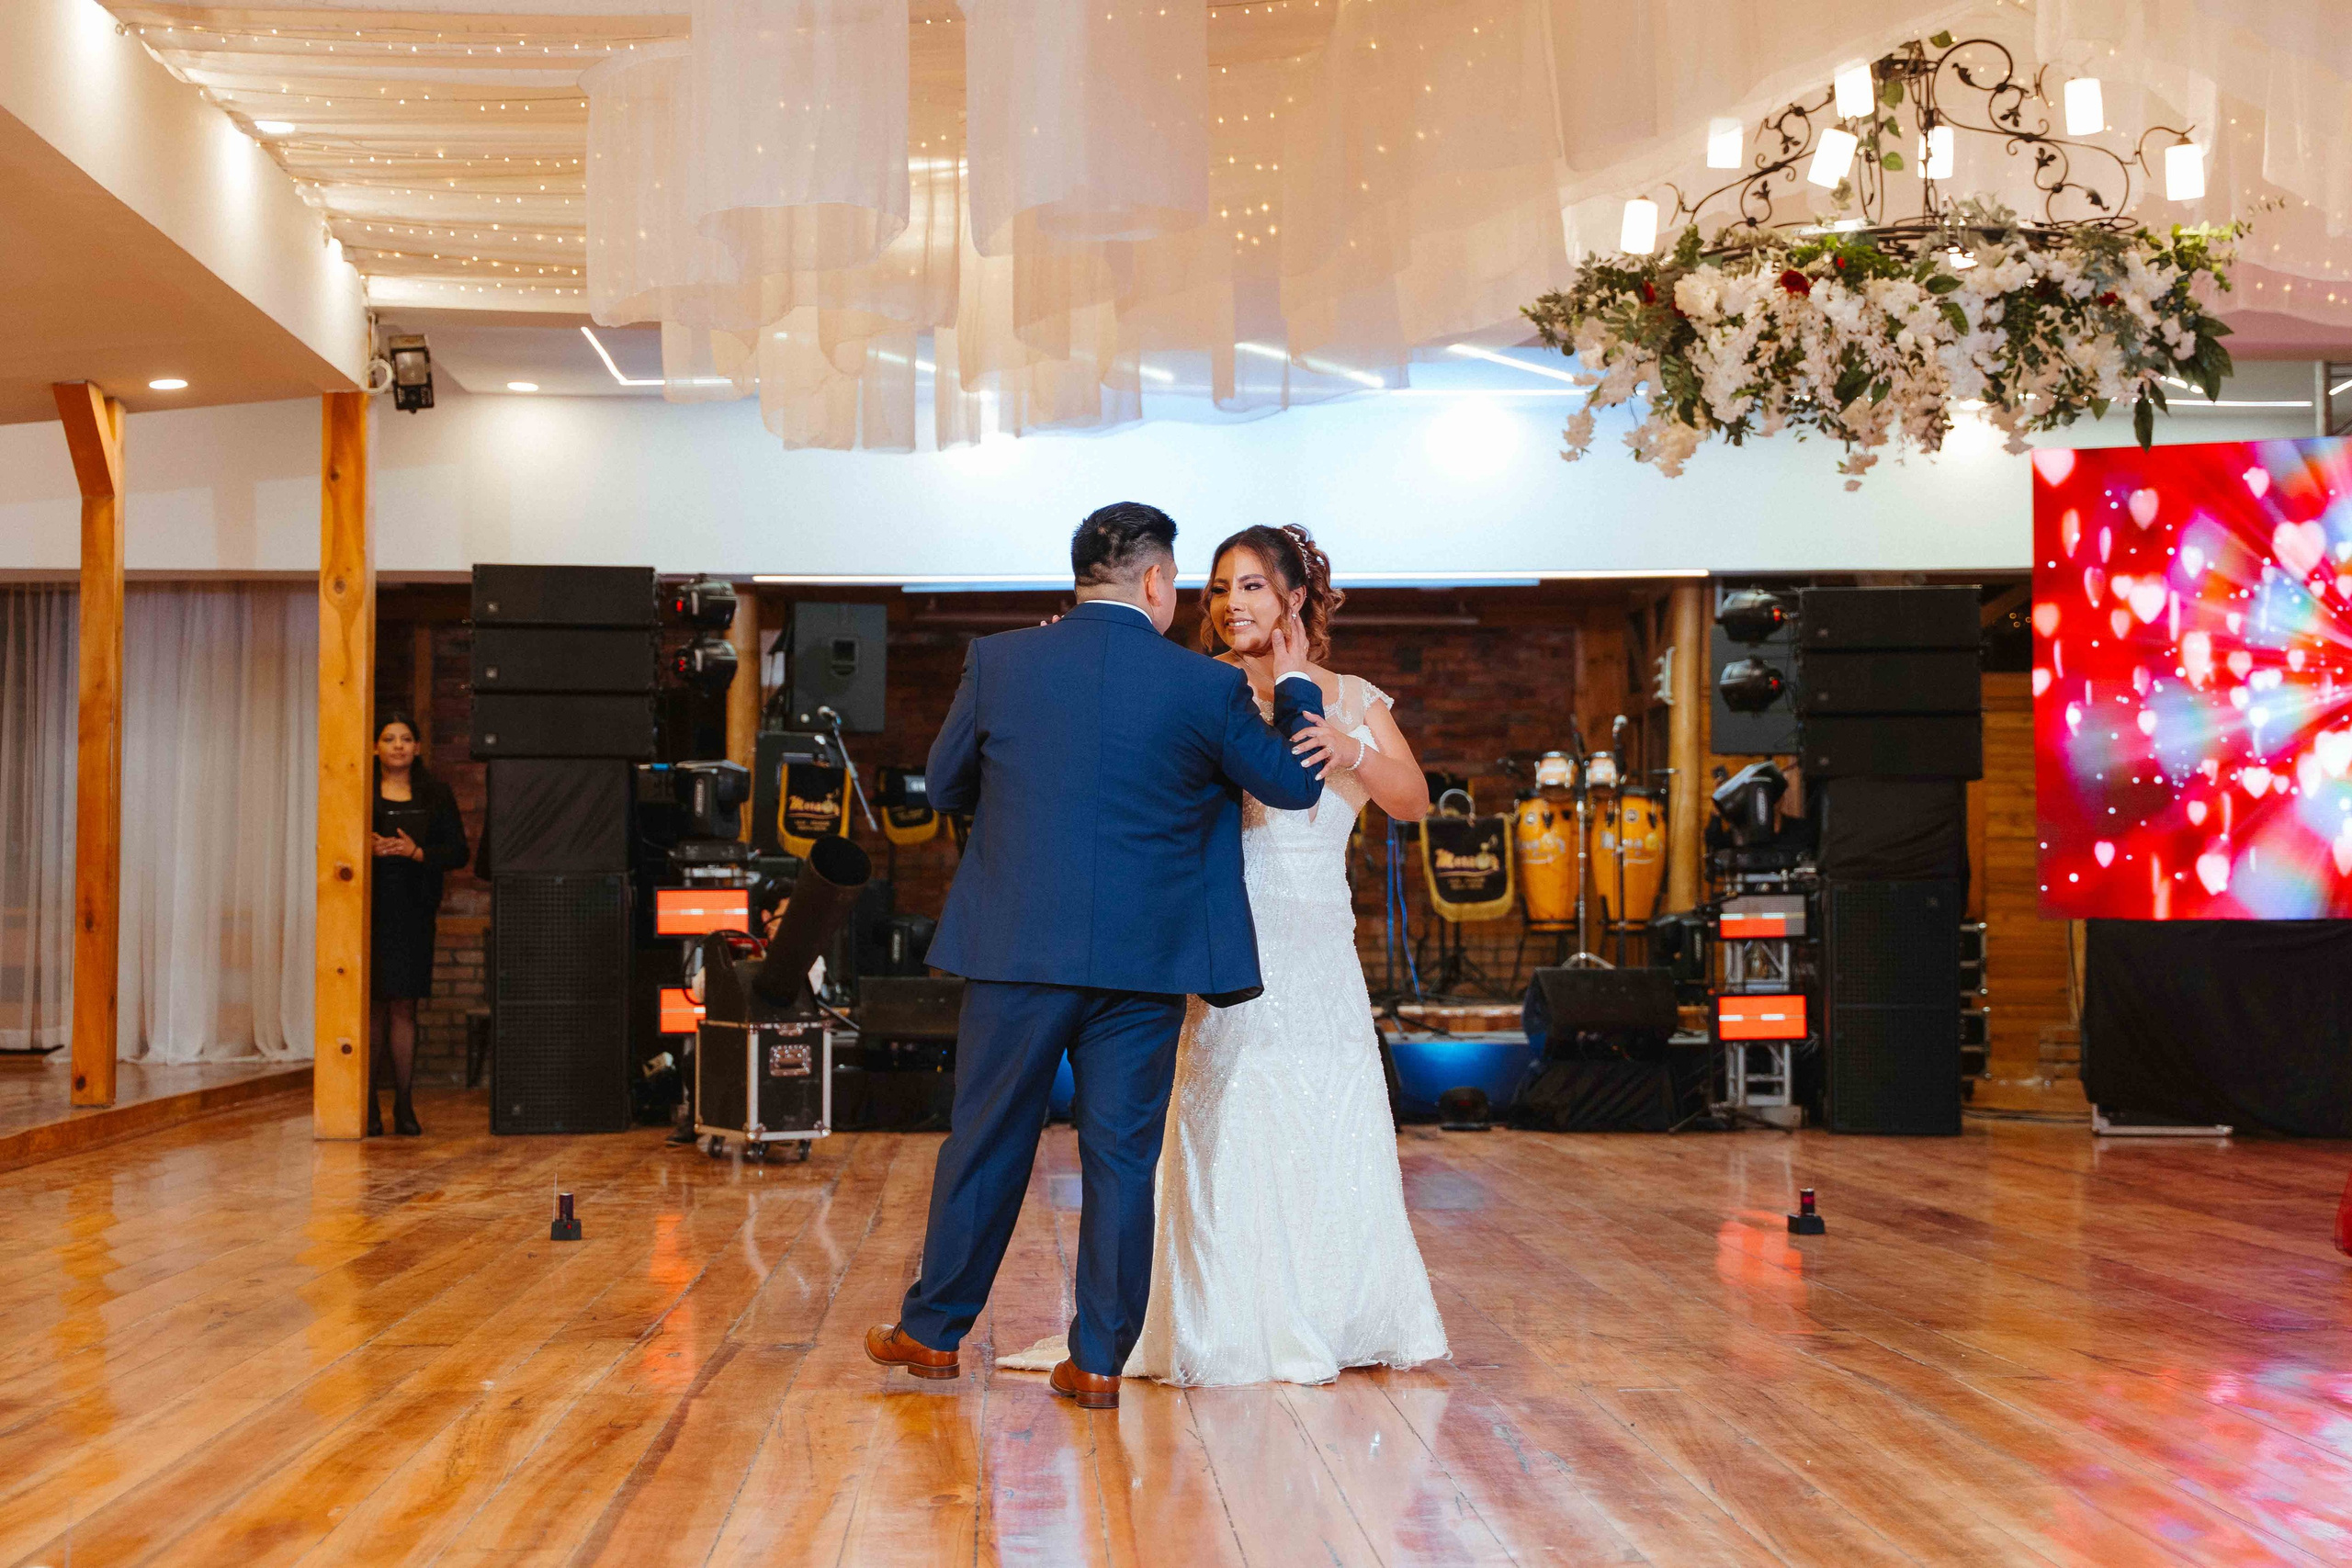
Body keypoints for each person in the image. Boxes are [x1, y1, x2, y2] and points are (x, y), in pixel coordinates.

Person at [865, 502, 1328, 1411]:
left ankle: (933, 1333)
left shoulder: (1001, 661)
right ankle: (1099, 1361)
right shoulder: (1203, 687)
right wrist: (1298, 685)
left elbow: (947, 783)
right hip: (1144, 964)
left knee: (985, 1142)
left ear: (1081, 577)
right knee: (1120, 1160)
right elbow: (1290, 782)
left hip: (1017, 950)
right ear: (1156, 581)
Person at [1002, 524, 1451, 1385]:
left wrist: (1353, 750)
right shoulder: (1196, 686)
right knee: (1226, 1123)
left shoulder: (1354, 697)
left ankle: (1334, 1311)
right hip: (1223, 943)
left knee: (1327, 1119)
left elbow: (1414, 799)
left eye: (1250, 586)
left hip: (1319, 951)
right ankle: (1217, 1316)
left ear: (1294, 599)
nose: (1230, 603)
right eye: (1217, 588)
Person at [368, 712, 469, 1137]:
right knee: (372, 1007)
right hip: (368, 909)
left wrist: (416, 852)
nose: (398, 746)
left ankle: (405, 1104)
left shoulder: (435, 793)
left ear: (418, 748)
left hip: (413, 910)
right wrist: (364, 849)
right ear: (375, 748)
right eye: (389, 739)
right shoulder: (359, 790)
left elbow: (459, 852)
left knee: (403, 1006)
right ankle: (366, 1105)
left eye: (406, 739)